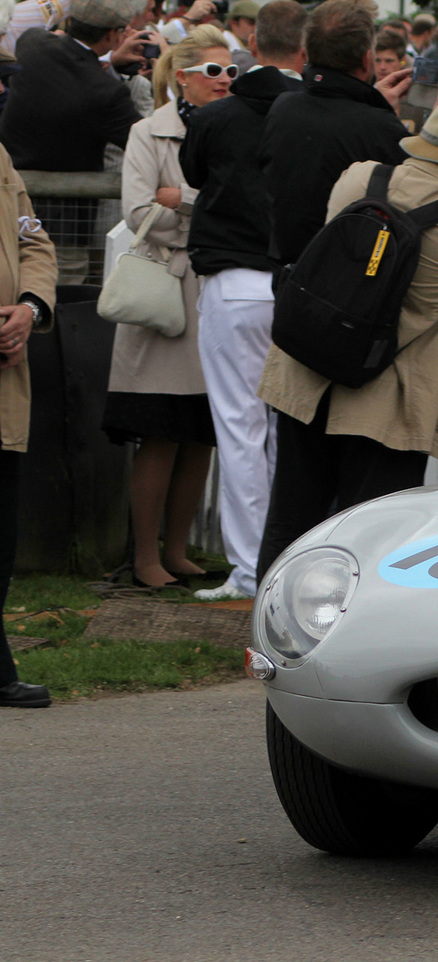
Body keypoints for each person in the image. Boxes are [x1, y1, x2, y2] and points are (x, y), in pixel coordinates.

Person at [255, 101, 438, 581]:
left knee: (293, 515)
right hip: (387, 402)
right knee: (370, 534)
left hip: (310, 376)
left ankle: (268, 630)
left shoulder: (358, 179)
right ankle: (346, 638)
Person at [179, 0, 306, 602]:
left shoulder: (220, 115)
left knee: (240, 427)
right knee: (282, 428)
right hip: (292, 281)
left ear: (252, 42)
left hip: (235, 281)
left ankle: (253, 568)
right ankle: (280, 559)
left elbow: (195, 172)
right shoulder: (309, 111)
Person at [102, 25, 231, 590]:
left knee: (200, 430)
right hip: (164, 295)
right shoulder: (146, 132)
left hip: (214, 292)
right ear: (182, 77)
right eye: (213, 71)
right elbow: (137, 213)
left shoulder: (238, 130)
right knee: (158, 429)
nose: (225, 80)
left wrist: (187, 202)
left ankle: (177, 551)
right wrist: (203, 214)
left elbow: (243, 205)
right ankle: (145, 556)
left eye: (232, 71)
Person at [0, 0, 150, 283]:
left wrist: (108, 61)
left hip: (8, 207)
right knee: (58, 307)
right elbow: (144, 145)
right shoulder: (106, 92)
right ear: (113, 35)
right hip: (65, 226)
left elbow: (65, 59)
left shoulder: (31, 44)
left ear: (69, 22)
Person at [258, 0, 415, 270]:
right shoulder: (381, 128)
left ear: (306, 52)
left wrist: (372, 103)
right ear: (367, 60)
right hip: (350, 285)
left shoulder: (284, 107)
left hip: (289, 276)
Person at [0, 141, 57, 708]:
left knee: (1, 539)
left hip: (4, 380)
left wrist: (28, 308)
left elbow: (32, 238)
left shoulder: (0, 157)